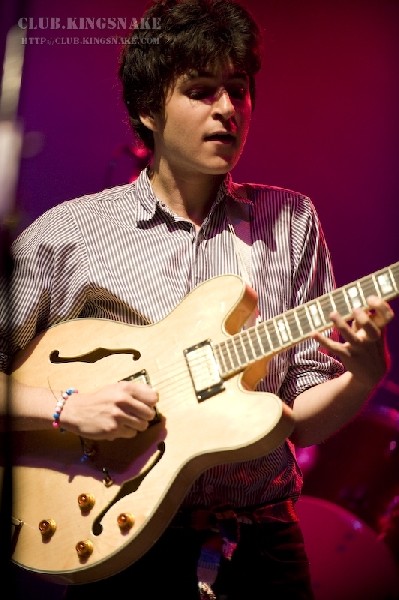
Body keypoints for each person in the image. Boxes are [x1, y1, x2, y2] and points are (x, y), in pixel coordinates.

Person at [0, 0, 395, 598]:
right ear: (146, 110)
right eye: (202, 91)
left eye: (238, 90)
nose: (229, 110)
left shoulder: (289, 221)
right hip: (119, 544)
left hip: (260, 546)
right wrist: (67, 409)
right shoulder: (67, 235)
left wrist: (362, 378)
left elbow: (299, 422)